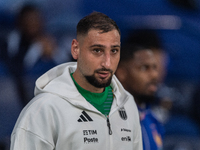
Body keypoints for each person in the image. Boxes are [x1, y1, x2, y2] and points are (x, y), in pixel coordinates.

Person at [10, 12, 143, 150]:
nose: (107, 63)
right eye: (97, 50)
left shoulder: (127, 104)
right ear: (75, 49)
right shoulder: (44, 110)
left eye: (114, 51)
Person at [5, 3, 57, 106]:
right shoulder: (10, 42)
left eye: (36, 19)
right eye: (29, 20)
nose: (32, 24)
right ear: (20, 22)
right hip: (14, 97)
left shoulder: (52, 43)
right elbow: (17, 68)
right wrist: (36, 50)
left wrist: (53, 53)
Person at [115, 43, 164, 150]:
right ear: (122, 73)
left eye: (154, 68)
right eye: (144, 68)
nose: (154, 75)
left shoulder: (152, 120)